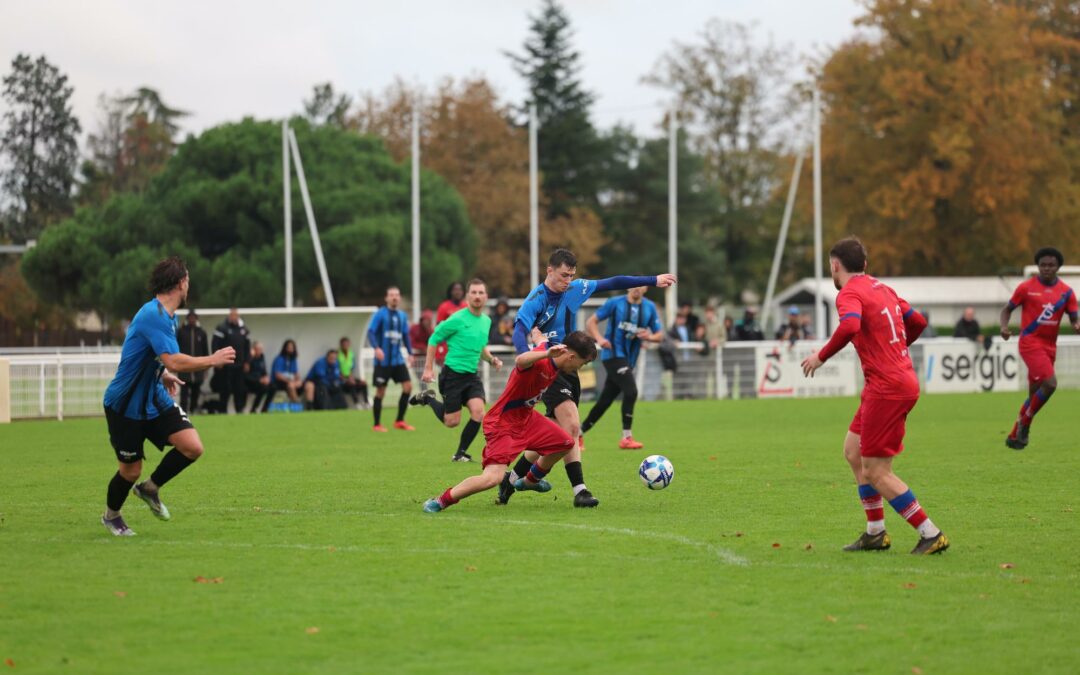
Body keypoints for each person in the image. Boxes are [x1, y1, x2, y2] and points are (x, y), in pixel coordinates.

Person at [801, 237, 948, 555]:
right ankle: (876, 532)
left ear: (835, 265)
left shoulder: (849, 293)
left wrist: (820, 357)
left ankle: (930, 532)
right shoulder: (883, 289)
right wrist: (895, 350)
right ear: (864, 265)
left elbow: (850, 325)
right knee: (853, 452)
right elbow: (918, 321)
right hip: (891, 382)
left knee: (877, 471)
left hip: (888, 387)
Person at [501, 248, 676, 508]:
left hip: (572, 369)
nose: (568, 281)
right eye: (563, 275)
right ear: (549, 270)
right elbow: (520, 330)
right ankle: (578, 490)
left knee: (548, 438)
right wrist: (524, 355)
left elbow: (614, 282)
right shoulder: (536, 299)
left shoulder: (576, 288)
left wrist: (652, 280)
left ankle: (512, 480)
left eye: (571, 275)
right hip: (549, 370)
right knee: (572, 429)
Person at [100, 256, 235, 536]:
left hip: (153, 397)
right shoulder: (154, 315)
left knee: (192, 446)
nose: (189, 286)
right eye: (188, 280)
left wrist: (162, 374)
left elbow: (148, 357)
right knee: (130, 471)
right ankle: (111, 515)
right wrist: (212, 359)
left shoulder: (167, 317)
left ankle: (150, 489)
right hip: (125, 405)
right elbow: (173, 359)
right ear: (181, 282)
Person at [422, 332, 597, 513]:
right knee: (492, 478)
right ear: (571, 357)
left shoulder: (551, 351)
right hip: (503, 423)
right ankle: (442, 500)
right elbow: (521, 360)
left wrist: (537, 330)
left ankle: (531, 481)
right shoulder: (541, 359)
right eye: (583, 363)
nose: (581, 367)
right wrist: (546, 354)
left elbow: (539, 337)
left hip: (526, 418)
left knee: (566, 442)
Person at [411, 278, 504, 462]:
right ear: (468, 296)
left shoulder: (486, 321)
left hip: (471, 375)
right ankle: (428, 398)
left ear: (486, 297)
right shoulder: (457, 319)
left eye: (481, 293)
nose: (477, 296)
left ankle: (460, 453)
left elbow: (481, 347)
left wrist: (492, 359)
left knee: (479, 413)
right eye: (474, 293)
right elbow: (433, 339)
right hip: (452, 375)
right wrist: (428, 369)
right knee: (451, 422)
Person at [1000, 247, 1079, 450]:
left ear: (1058, 267)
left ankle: (1015, 436)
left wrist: (1076, 325)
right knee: (1050, 384)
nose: (1046, 268)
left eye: (1051, 265)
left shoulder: (1067, 293)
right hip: (1030, 343)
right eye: (1043, 265)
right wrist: (1004, 327)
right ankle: (1025, 424)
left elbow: (1074, 317)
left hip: (1049, 346)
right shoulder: (1026, 288)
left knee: (1035, 394)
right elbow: (1007, 310)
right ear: (1038, 266)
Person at [582, 286, 663, 449]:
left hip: (629, 360)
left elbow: (659, 335)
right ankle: (626, 437)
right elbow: (591, 321)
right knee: (631, 391)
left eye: (641, 286)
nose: (637, 289)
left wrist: (650, 337)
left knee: (605, 401)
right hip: (613, 355)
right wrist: (599, 339)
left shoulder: (649, 307)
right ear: (628, 287)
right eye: (634, 285)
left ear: (646, 288)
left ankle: (578, 432)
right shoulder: (615, 303)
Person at [367, 286, 415, 432]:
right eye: (391, 295)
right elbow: (371, 332)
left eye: (397, 295)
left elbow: (405, 336)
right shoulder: (380, 314)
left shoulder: (402, 316)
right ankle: (377, 424)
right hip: (383, 361)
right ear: (387, 298)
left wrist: (410, 353)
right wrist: (376, 348)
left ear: (399, 298)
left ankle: (399, 420)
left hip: (397, 360)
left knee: (408, 387)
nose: (394, 297)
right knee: (381, 391)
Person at [211, 308, 251, 414]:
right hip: (225, 365)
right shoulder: (221, 328)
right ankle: (223, 410)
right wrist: (217, 360)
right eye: (232, 315)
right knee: (225, 389)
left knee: (239, 389)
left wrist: (247, 361)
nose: (234, 317)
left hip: (239, 365)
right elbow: (215, 344)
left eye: (236, 315)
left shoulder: (243, 329)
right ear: (229, 316)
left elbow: (247, 347)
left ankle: (239, 409)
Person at [175, 309, 208, 414]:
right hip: (184, 367)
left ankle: (193, 410)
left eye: (194, 318)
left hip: (198, 367)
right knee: (184, 391)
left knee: (196, 390)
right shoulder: (181, 332)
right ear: (187, 319)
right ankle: (184, 412)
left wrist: (206, 367)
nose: (192, 320)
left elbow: (205, 350)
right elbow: (176, 348)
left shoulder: (201, 333)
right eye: (190, 318)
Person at [263, 339, 302, 411]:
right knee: (290, 386)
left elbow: (296, 373)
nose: (290, 349)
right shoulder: (279, 359)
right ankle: (297, 405)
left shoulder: (293, 360)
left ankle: (296, 405)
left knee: (298, 384)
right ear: (285, 348)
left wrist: (298, 381)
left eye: (292, 347)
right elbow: (278, 375)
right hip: (278, 383)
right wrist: (290, 381)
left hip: (290, 382)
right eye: (289, 347)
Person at [435, 281, 467, 366]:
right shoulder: (444, 307)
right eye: (455, 289)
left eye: (460, 289)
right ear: (451, 292)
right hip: (447, 346)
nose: (458, 292)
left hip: (462, 346)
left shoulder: (466, 307)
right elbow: (439, 328)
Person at [338, 337, 369, 409]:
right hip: (341, 379)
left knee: (363, 383)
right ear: (341, 345)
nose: (346, 345)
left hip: (349, 376)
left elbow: (352, 368)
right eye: (344, 344)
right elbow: (337, 369)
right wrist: (345, 379)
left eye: (347, 344)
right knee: (351, 384)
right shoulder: (338, 355)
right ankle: (356, 403)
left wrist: (351, 377)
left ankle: (366, 402)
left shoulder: (351, 354)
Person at [244, 340, 271, 413]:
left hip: (260, 381)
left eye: (261, 349)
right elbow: (246, 374)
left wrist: (266, 378)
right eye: (258, 349)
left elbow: (264, 371)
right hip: (250, 382)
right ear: (253, 350)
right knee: (263, 388)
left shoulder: (262, 357)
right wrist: (259, 380)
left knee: (272, 387)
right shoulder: (248, 359)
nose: (260, 351)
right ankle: (254, 408)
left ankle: (265, 408)